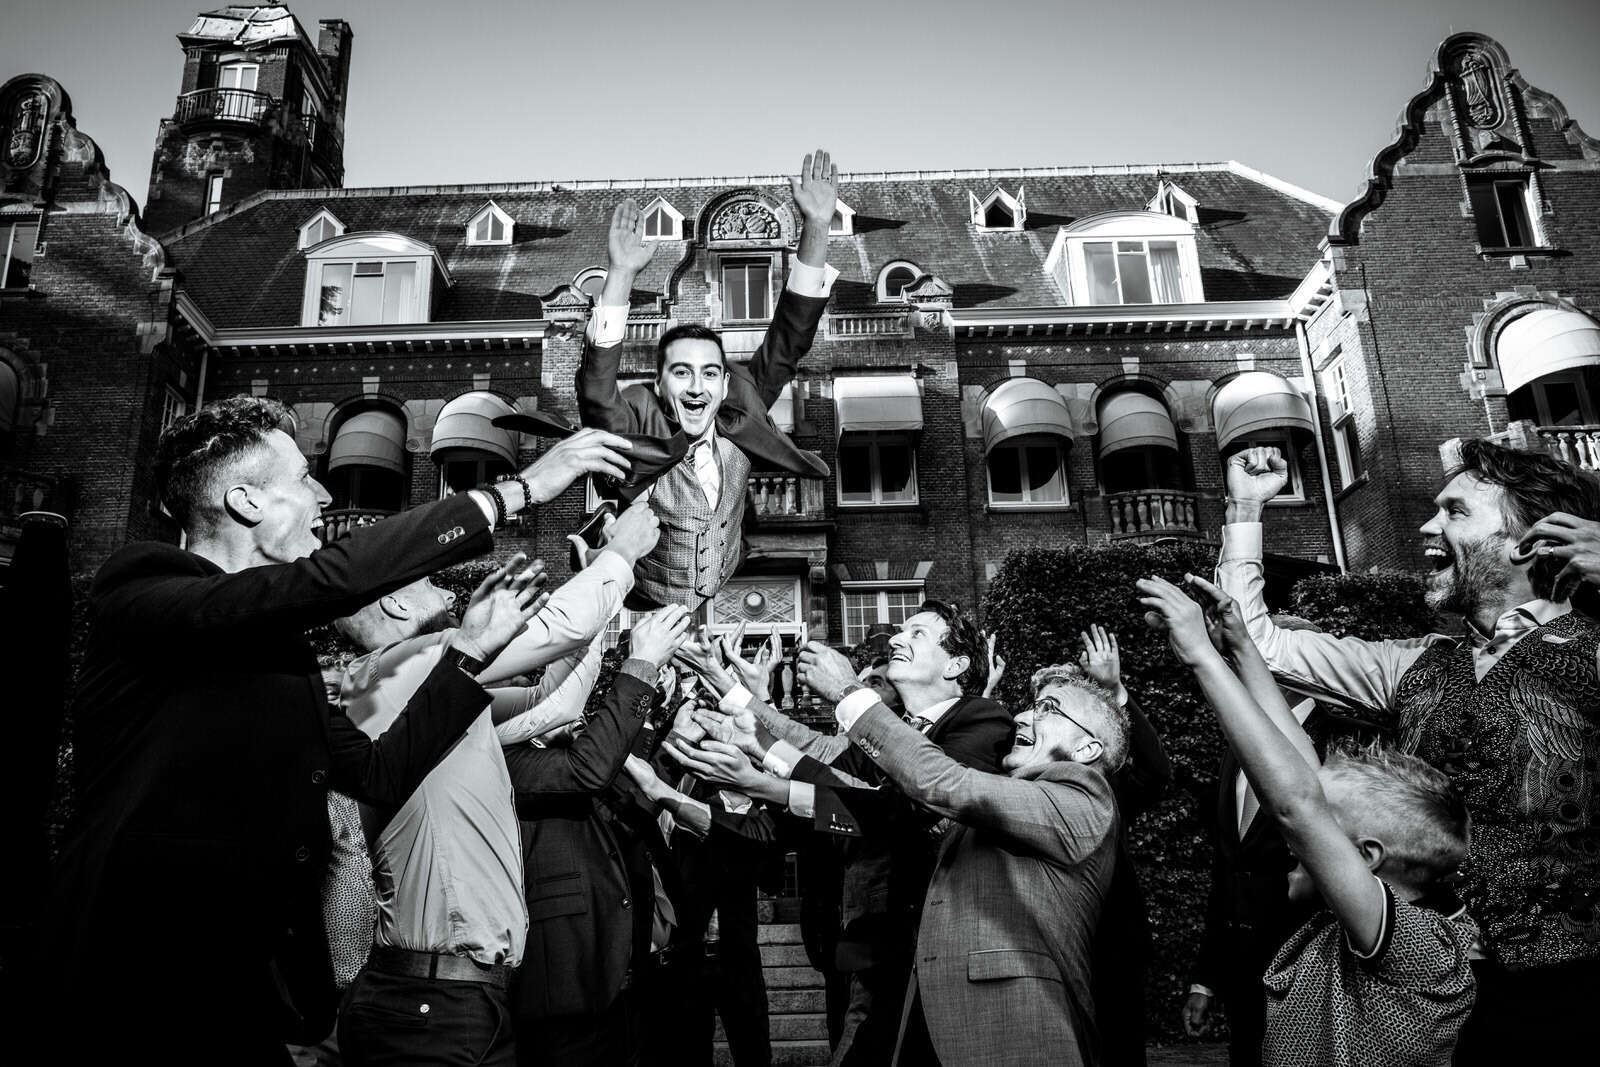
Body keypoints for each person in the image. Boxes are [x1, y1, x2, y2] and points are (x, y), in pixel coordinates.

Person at [50, 395, 632, 1066]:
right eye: (302, 478)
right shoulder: (140, 588)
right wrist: (520, 491)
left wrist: (468, 650)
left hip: (243, 995)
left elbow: (383, 769)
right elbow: (315, 583)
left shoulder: (283, 658)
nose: (325, 493)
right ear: (246, 501)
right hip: (130, 982)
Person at [1218, 440, 1600, 1059]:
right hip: (1424, 992)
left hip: (1574, 997)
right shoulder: (1413, 662)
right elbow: (1259, 645)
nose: (1427, 526)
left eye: (1454, 511)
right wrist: (1245, 507)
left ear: (1529, 541)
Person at [331, 503, 660, 1067]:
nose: (446, 592)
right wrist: (620, 554)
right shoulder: (399, 666)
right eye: (431, 580)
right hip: (431, 1002)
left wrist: (598, 603)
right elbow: (561, 626)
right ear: (396, 602)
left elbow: (552, 704)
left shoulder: (425, 687)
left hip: (459, 995)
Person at [1139, 572, 1476, 1066]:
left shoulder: (1417, 943)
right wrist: (1244, 650)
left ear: (1366, 857)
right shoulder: (1382, 908)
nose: (1293, 844)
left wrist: (1201, 658)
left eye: (1324, 827)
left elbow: (1295, 804)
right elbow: (1303, 779)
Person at [682, 602, 1013, 1067]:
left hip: (942, 953)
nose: (898, 639)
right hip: (876, 955)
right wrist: (734, 698)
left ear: (955, 665)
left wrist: (845, 694)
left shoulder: (981, 720)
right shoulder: (881, 738)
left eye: (917, 633)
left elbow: (912, 807)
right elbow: (826, 762)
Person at [791, 642, 1128, 1067]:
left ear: (1086, 750)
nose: (1023, 715)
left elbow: (941, 780)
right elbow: (881, 809)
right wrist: (767, 761)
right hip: (925, 1015)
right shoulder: (1003, 805)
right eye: (1032, 706)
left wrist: (850, 692)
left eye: (1048, 708)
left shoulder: (1083, 798)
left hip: (1015, 1037)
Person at [577, 150, 840, 609]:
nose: (697, 386)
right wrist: (619, 275)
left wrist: (817, 226)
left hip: (725, 570)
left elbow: (790, 339)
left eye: (710, 373)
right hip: (648, 592)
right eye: (681, 373)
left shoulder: (742, 404)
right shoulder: (640, 418)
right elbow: (597, 391)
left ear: (723, 384)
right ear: (660, 385)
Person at [510, 609, 697, 1067]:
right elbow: (589, 770)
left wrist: (669, 739)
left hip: (625, 986)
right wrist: (643, 664)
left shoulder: (572, 749)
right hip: (565, 993)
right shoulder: (507, 758)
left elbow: (639, 804)